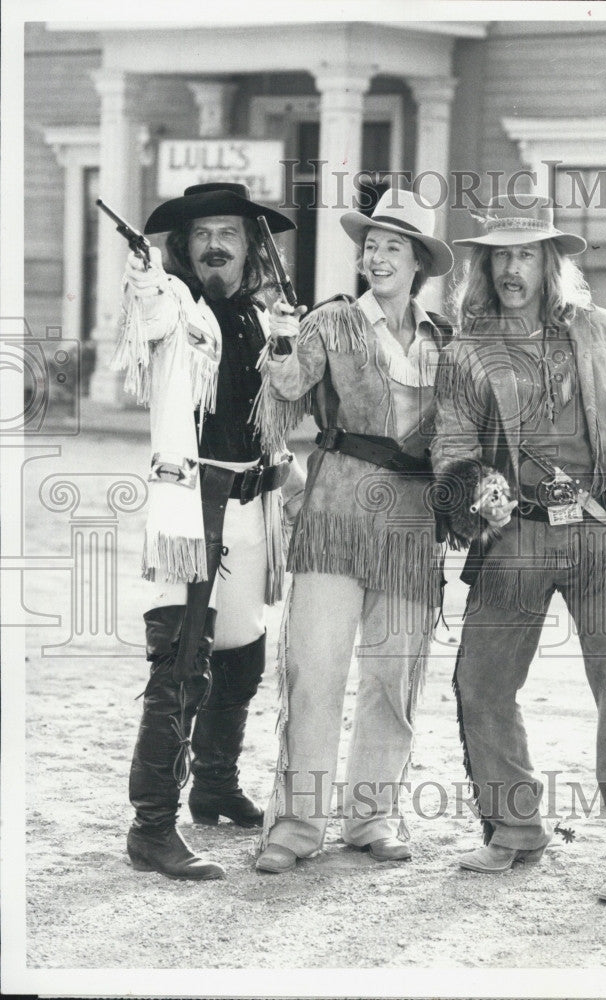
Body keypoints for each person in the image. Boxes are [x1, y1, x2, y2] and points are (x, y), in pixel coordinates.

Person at [431, 194, 606, 903]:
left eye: (524, 253)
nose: (509, 268)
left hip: (604, 534)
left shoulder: (603, 331)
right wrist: (475, 489)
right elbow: (453, 446)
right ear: (483, 265)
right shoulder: (465, 351)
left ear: (550, 261)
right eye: (497, 255)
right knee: (481, 686)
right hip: (515, 534)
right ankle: (513, 827)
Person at [253, 188, 454, 874]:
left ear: (419, 260)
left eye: (392, 245)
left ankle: (371, 817)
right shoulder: (330, 322)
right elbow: (285, 388)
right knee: (315, 671)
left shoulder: (443, 339)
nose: (376, 255)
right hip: (335, 512)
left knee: (392, 679)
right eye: (370, 244)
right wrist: (279, 336)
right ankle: (296, 824)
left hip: (409, 522)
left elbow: (462, 436)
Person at [116, 182, 304, 880]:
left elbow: (276, 412)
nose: (215, 244)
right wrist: (143, 271)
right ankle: (152, 827)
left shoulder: (260, 316)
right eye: (202, 235)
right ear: (184, 248)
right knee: (180, 666)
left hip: (254, 502)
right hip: (194, 503)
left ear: (251, 245)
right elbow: (149, 304)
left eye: (228, 231)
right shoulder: (176, 305)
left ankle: (216, 786)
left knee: (241, 659)